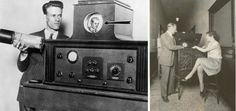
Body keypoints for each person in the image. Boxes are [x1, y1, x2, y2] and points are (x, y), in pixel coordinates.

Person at [13, 1, 69, 111]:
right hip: (28, 94)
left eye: (59, 15)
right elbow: (21, 68)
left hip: (53, 97)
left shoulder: (68, 41)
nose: (57, 19)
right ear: (46, 16)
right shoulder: (31, 38)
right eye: (53, 15)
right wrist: (24, 52)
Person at [181, 31, 222, 97]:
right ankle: (201, 89)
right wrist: (203, 47)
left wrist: (197, 47)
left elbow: (205, 51)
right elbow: (205, 48)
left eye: (207, 36)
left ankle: (190, 75)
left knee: (199, 59)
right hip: (210, 61)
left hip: (216, 63)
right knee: (199, 67)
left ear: (212, 36)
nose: (206, 38)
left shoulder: (216, 43)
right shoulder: (210, 43)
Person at [159, 23, 184, 102]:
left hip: (172, 60)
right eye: (175, 28)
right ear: (170, 27)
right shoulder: (163, 36)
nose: (176, 30)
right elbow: (170, 47)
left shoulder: (173, 37)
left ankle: (170, 91)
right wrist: (182, 46)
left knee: (172, 77)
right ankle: (164, 95)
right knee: (165, 79)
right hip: (165, 60)